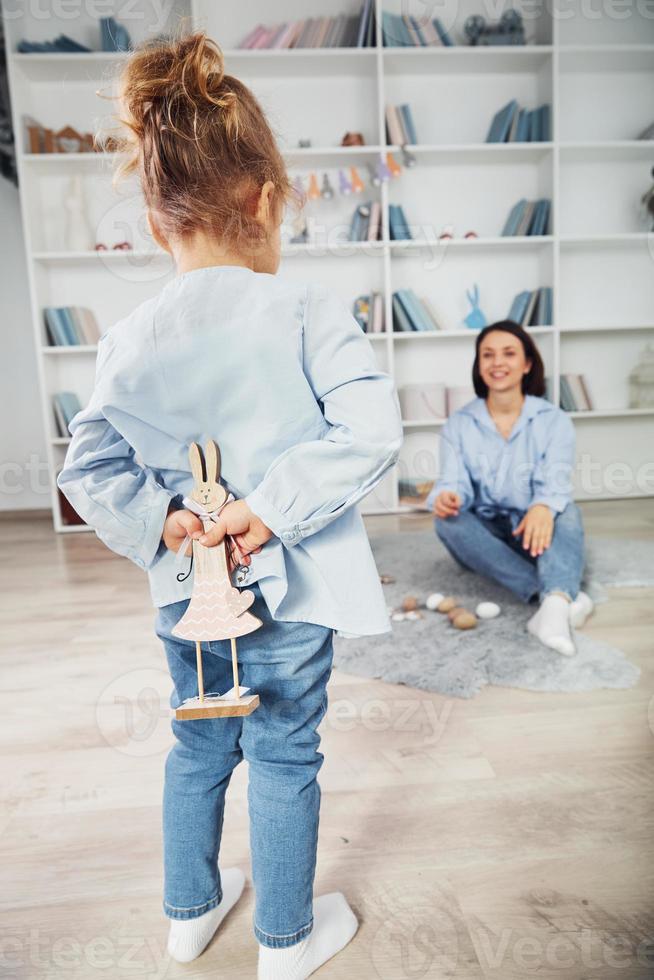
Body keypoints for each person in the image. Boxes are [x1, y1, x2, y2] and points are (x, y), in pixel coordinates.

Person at [57, 32, 402, 979]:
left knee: (197, 746)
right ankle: (286, 942)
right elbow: (373, 429)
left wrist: (162, 526)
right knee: (286, 755)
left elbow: (87, 468)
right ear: (261, 198)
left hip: (187, 599)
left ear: (160, 221)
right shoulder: (305, 310)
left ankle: (189, 914)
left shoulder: (130, 338)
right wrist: (269, 510)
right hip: (290, 601)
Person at [427, 321, 593, 656]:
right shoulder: (459, 423)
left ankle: (552, 609)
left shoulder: (554, 420)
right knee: (447, 521)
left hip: (533, 529)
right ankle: (555, 597)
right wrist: (448, 497)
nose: (497, 362)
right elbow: (453, 480)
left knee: (566, 510)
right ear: (479, 365)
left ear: (527, 363)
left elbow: (555, 481)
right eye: (487, 355)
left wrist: (542, 506)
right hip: (487, 533)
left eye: (508, 353)